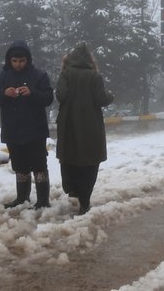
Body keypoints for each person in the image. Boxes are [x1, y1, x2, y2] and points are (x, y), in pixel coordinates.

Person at [0, 40, 54, 209]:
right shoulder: (2, 77)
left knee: (39, 165)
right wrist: (4, 93)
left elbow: (48, 98)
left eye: (22, 61)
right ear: (9, 60)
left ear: (28, 59)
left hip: (35, 130)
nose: (18, 64)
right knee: (19, 165)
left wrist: (32, 93)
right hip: (12, 130)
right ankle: (22, 198)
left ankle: (43, 200)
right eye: (14, 61)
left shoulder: (39, 75)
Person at [55, 43, 114, 216]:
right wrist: (111, 96)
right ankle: (85, 201)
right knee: (90, 161)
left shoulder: (66, 74)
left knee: (69, 157)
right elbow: (101, 99)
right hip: (91, 125)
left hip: (68, 124)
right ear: (90, 60)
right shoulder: (95, 76)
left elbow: (60, 96)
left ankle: (72, 188)